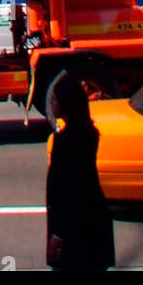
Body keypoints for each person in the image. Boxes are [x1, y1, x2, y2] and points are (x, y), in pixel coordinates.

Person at [45, 74, 115, 273]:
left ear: (65, 104)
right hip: (94, 222)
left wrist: (58, 234)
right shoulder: (89, 133)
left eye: (55, 100)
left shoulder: (64, 141)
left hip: (73, 231)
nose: (53, 103)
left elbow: (65, 192)